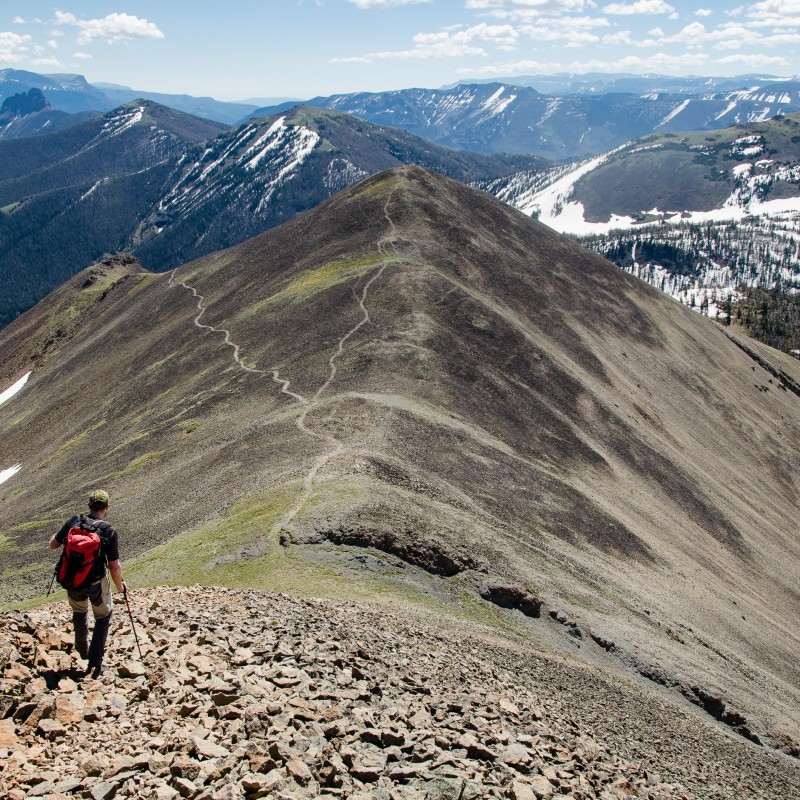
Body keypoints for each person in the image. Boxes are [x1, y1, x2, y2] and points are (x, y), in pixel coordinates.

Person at [49, 489, 126, 678]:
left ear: (89, 506)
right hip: (96, 582)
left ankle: (82, 649)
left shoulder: (74, 521)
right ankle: (94, 663)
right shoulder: (108, 530)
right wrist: (120, 586)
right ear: (107, 507)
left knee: (79, 612)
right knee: (103, 617)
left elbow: (53, 544)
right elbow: (114, 566)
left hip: (73, 580)